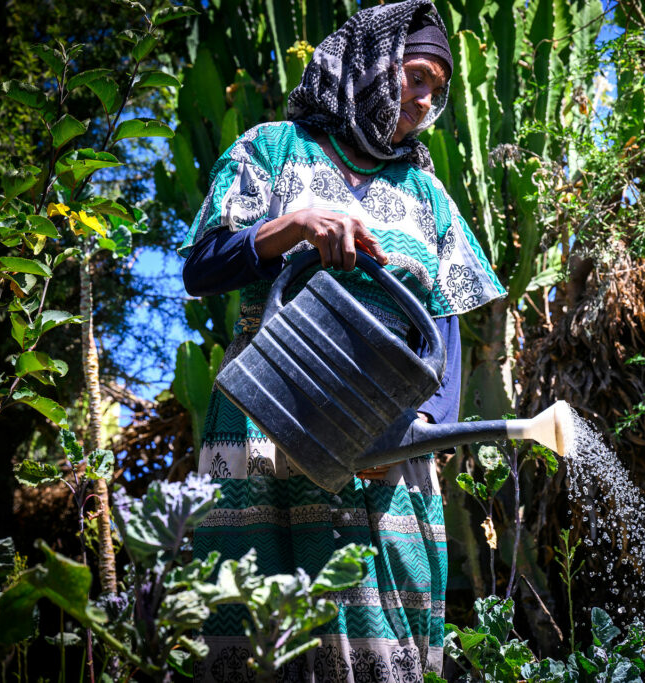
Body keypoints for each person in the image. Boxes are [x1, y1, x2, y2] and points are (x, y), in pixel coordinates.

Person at [178, 1, 505, 680]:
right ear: (368, 65)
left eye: (437, 91)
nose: (424, 101)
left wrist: (411, 428)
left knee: (385, 639)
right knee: (257, 626)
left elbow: (439, 329)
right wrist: (295, 224)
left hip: (383, 441)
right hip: (266, 418)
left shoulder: (428, 195)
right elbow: (202, 267)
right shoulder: (271, 149)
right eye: (416, 77)